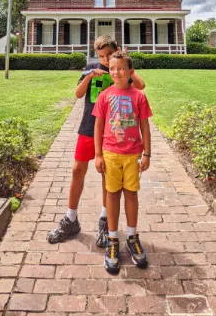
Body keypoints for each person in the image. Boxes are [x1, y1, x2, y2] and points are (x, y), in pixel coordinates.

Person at [47, 36, 145, 246]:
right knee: (77, 170)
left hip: (112, 133)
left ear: (116, 51)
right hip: (89, 127)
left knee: (106, 176)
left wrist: (125, 62)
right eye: (101, 56)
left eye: (109, 54)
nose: (105, 59)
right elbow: (78, 94)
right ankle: (71, 218)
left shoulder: (119, 71)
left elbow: (141, 86)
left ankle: (104, 220)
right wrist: (90, 76)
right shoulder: (92, 68)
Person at [93, 51, 152, 274]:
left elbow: (145, 126)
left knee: (131, 194)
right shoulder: (104, 96)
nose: (116, 72)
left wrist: (147, 153)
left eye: (121, 69)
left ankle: (132, 235)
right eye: (112, 69)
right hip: (110, 153)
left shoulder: (139, 96)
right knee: (112, 195)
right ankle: (113, 239)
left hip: (132, 154)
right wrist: (98, 154)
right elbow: (98, 126)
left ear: (130, 72)